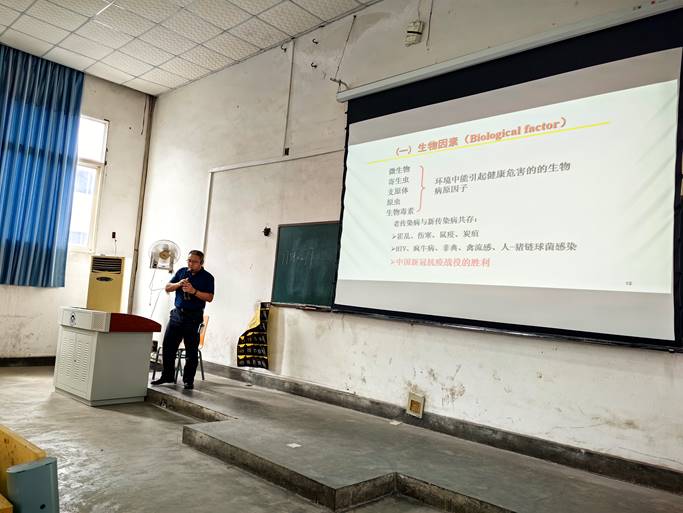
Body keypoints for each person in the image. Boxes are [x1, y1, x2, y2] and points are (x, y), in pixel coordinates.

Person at [151, 250, 214, 390]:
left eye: (194, 261)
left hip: (194, 318)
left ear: (201, 263)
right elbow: (167, 287)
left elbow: (209, 297)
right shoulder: (181, 272)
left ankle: (188, 380)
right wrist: (179, 284)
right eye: (189, 260)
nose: (191, 264)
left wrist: (194, 291)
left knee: (191, 351)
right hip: (177, 315)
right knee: (168, 347)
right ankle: (167, 376)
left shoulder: (208, 277)